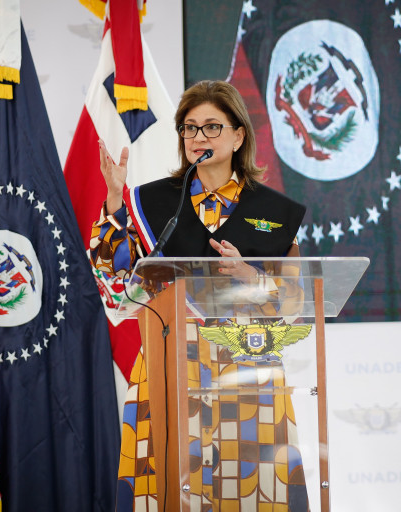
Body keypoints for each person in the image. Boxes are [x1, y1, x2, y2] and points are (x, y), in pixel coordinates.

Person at [90, 80, 310, 511]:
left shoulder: (273, 212)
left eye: (211, 127)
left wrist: (250, 276)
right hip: (169, 364)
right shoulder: (151, 203)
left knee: (250, 490)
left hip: (248, 372)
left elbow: (295, 303)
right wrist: (116, 202)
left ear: (238, 135)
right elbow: (112, 280)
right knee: (170, 488)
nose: (198, 137)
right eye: (189, 128)